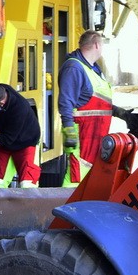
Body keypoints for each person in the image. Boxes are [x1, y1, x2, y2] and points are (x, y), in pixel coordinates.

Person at [57, 30, 113, 186]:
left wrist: (120, 113)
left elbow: (99, 102)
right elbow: (66, 101)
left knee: (85, 174)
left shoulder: (92, 68)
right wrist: (68, 129)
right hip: (82, 133)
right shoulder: (74, 68)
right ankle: (67, 206)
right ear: (96, 45)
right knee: (76, 175)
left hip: (93, 133)